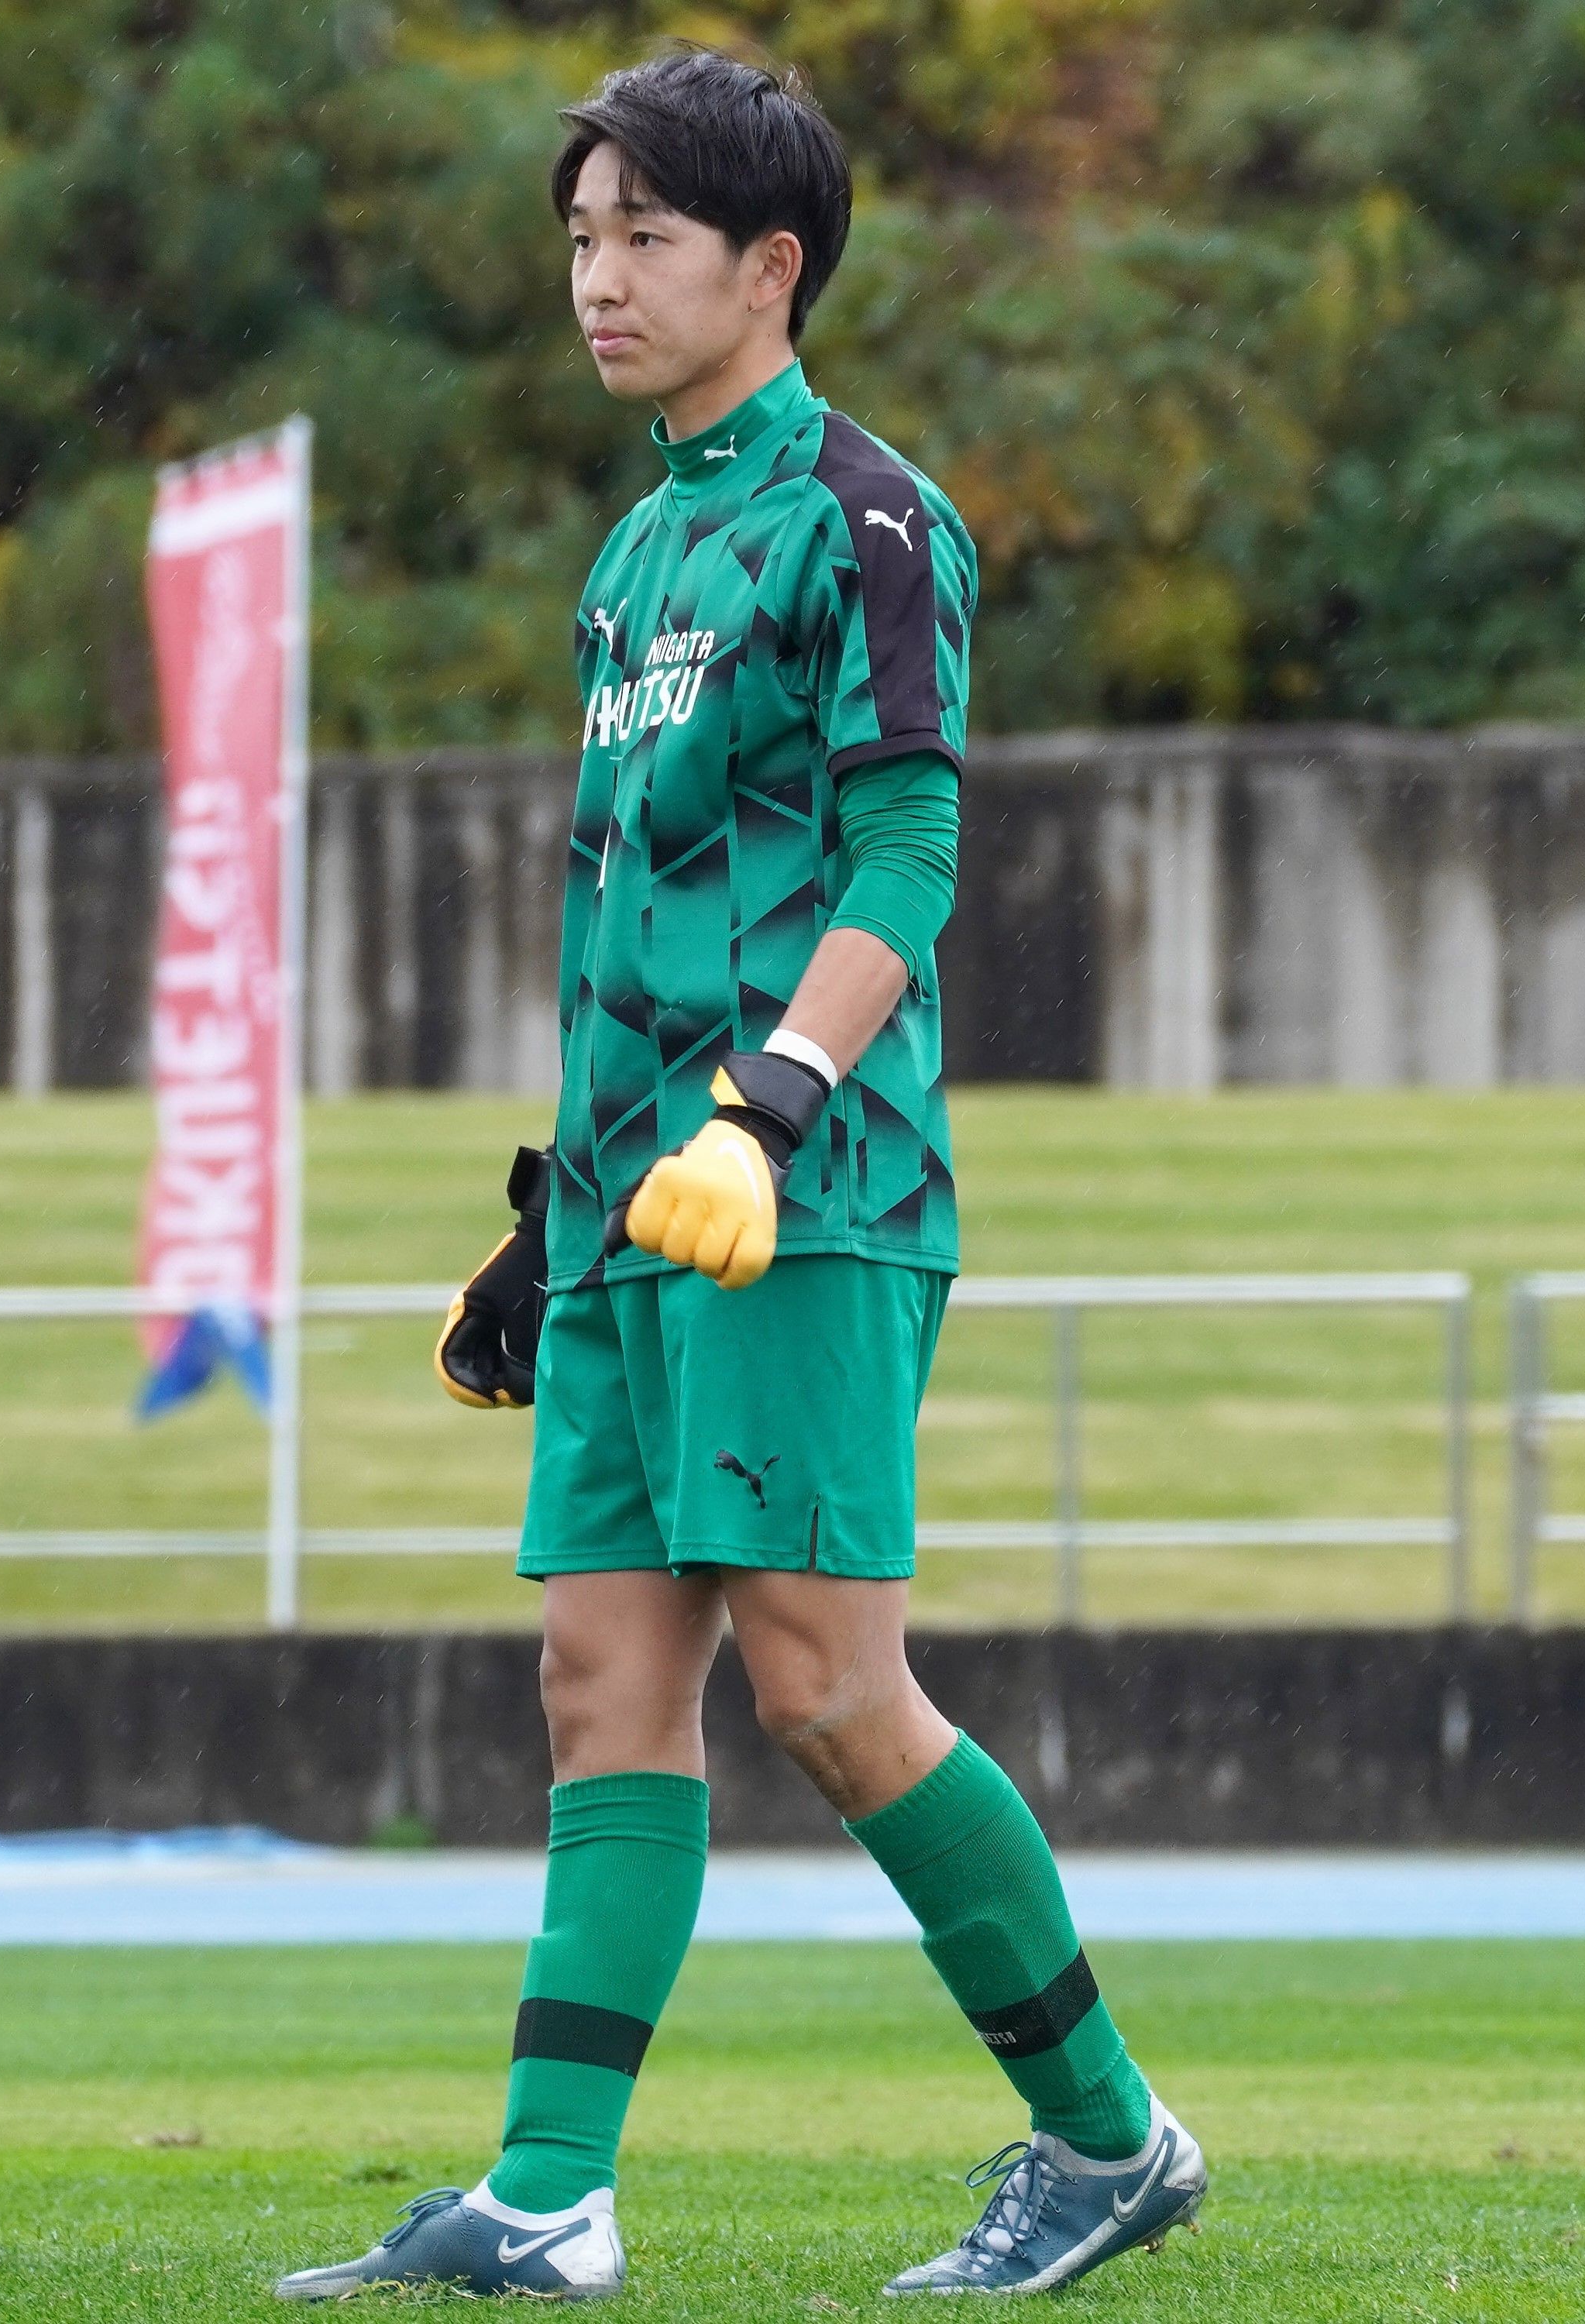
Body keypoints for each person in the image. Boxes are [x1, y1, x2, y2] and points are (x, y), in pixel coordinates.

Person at [274, 46, 1208, 2307]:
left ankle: (1110, 2145)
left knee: (820, 1684)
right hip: (629, 1205)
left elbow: (905, 849)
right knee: (603, 1682)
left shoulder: (870, 518)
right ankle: (546, 2194)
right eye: (579, 240)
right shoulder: (631, 544)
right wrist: (549, 1214)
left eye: (645, 241)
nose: (597, 281)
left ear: (769, 268)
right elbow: (630, 911)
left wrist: (772, 1104)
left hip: (807, 1182)